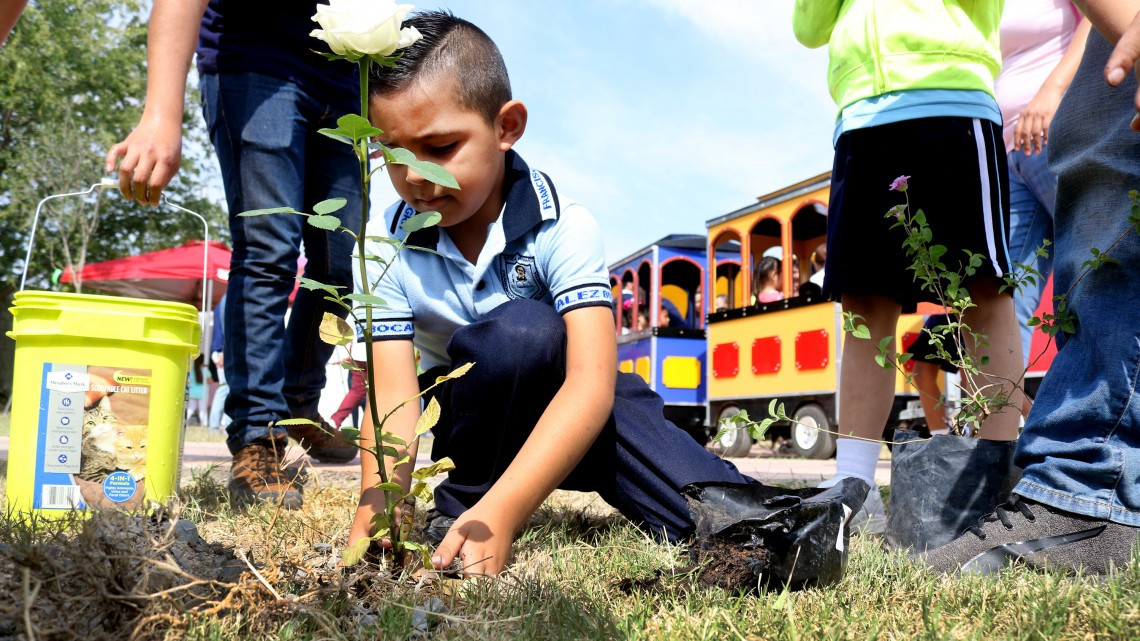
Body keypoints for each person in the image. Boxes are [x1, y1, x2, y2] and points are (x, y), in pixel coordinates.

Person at [348, 11, 754, 576]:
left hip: (565, 425)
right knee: (522, 333)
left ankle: (752, 520)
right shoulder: (380, 243)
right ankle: (461, 511)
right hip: (462, 431)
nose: (413, 175)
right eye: (392, 152)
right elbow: (392, 400)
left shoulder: (563, 226)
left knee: (598, 381)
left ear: (507, 126)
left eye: (439, 147)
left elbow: (590, 383)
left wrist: (508, 510)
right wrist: (379, 508)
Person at [104, 0, 361, 510]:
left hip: (344, 85)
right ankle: (258, 437)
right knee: (269, 251)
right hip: (256, 65)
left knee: (336, 267)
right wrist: (160, 113)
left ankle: (299, 402)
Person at [924, 1, 1140, 574]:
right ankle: (1002, 472)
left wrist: (1053, 89)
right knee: (995, 299)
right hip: (1002, 141)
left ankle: (1093, 483)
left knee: (1108, 244)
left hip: (1062, 107)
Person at [794, 0, 1025, 534]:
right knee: (864, 302)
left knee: (982, 288)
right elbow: (808, 27)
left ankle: (995, 472)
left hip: (951, 98)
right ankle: (852, 489)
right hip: (862, 117)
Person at [997, 2, 1091, 366]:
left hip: (1057, 131)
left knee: (1087, 270)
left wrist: (1053, 88)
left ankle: (1092, 410)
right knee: (1008, 294)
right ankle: (999, 418)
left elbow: (1100, 20)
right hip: (1007, 148)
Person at [186, 355, 209, 426]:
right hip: (202, 393)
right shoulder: (205, 370)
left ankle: (185, 421)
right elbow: (210, 381)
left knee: (191, 409)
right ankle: (204, 424)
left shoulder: (192, 371)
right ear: (203, 362)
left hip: (192, 393)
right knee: (202, 410)